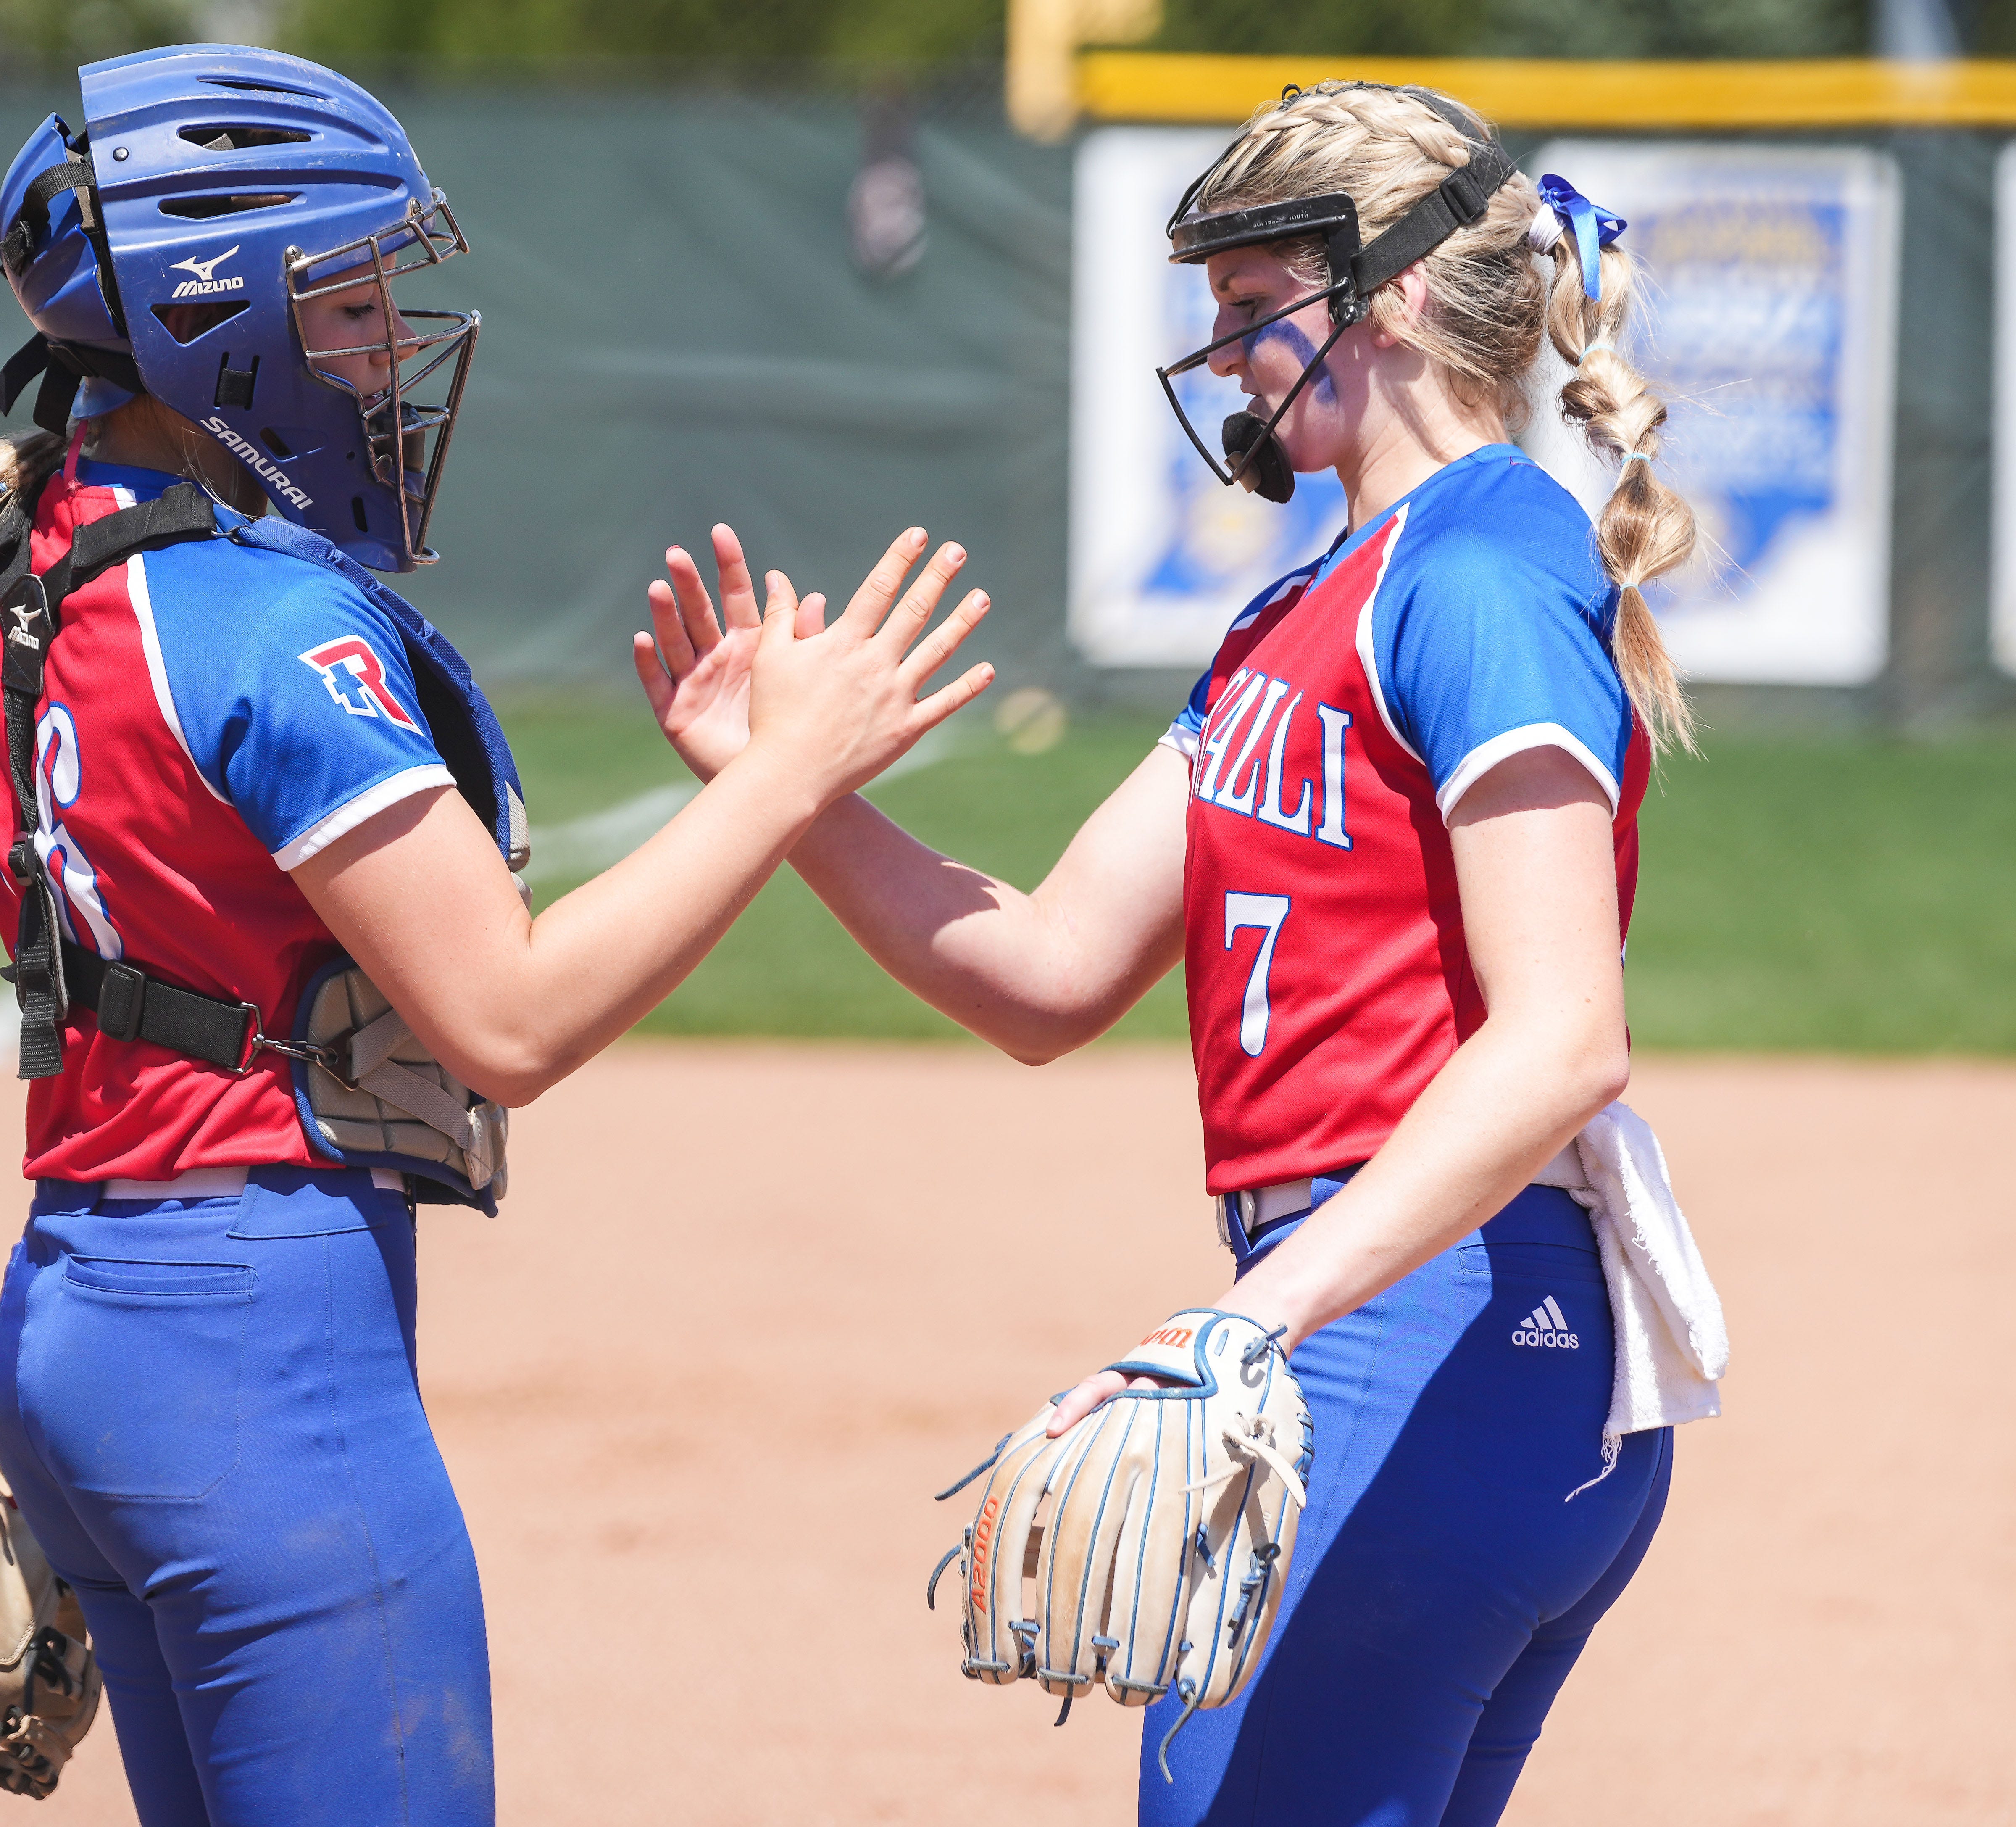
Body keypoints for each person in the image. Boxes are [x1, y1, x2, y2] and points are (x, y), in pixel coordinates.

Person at [0, 44, 988, 1827]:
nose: (384, 347)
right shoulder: (266, 625)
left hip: (72, 1336)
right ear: (218, 324)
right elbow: (509, 1017)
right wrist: (786, 776)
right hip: (265, 1377)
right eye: (347, 303)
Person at [636, 80, 1698, 1827]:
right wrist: (784, 794)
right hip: (1403, 1332)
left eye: (1251, 303)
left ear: (1391, 297)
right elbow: (1049, 969)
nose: (1221, 358)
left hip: (1417, 1334)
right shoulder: (1302, 609)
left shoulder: (1479, 571)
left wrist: (1250, 1320)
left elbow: (1565, 1034)